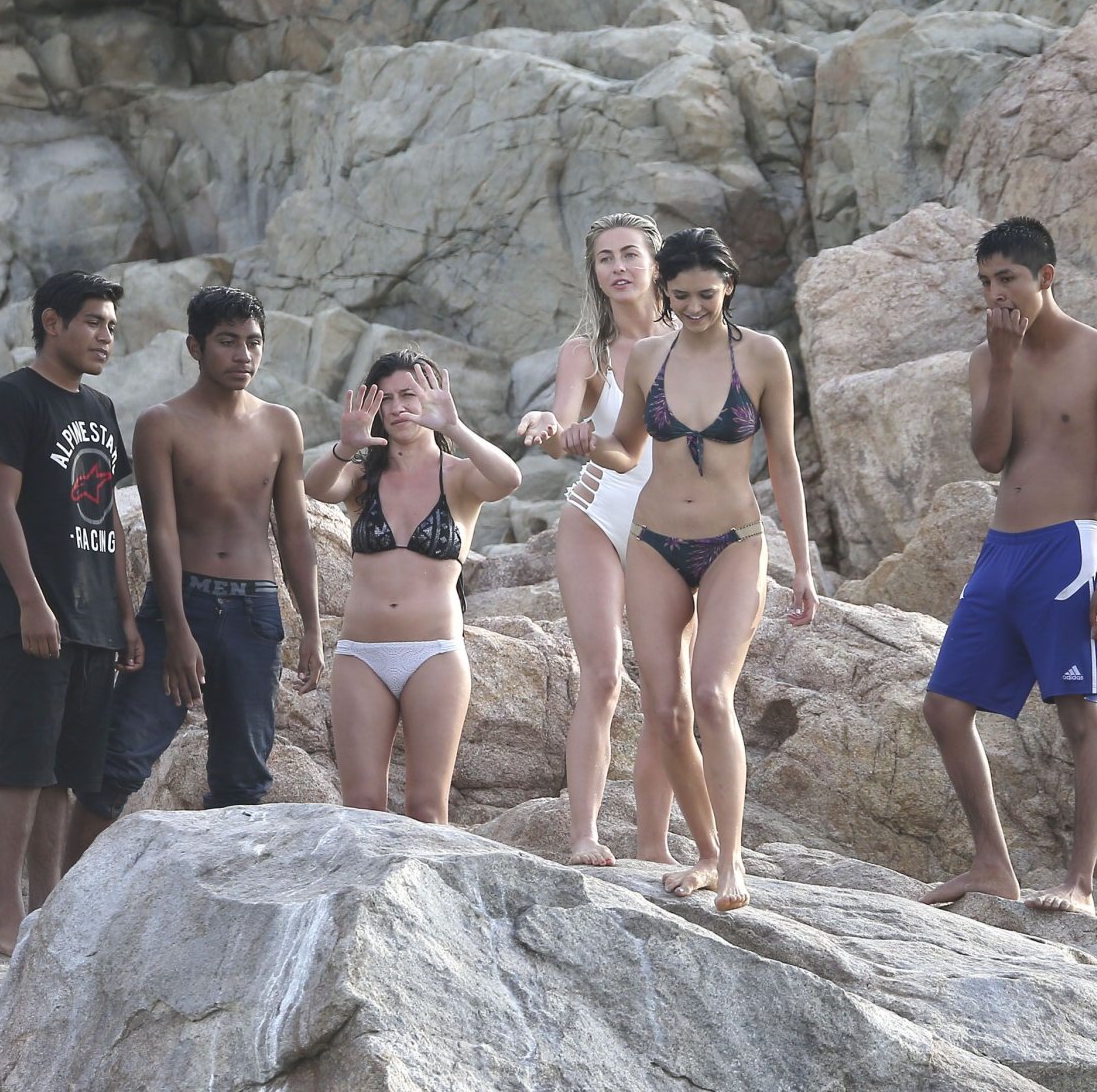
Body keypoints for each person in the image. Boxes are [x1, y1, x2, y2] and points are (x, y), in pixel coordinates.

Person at [570, 227, 817, 912]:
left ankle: (733, 861)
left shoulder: (763, 356)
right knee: (665, 709)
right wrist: (583, 442)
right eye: (679, 297)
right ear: (665, 293)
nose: (694, 308)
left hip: (734, 541)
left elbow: (785, 463)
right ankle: (705, 854)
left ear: (728, 286)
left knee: (710, 694)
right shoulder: (649, 356)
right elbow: (625, 450)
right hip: (654, 542)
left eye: (706, 295)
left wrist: (803, 565)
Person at [920, 217, 1097, 916]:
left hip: (1068, 551)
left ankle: (1080, 883)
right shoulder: (987, 360)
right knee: (945, 708)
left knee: (1077, 714)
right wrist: (1004, 361)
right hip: (1001, 549)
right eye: (986, 281)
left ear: (1045, 276)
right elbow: (990, 456)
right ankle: (992, 866)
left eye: (1007, 278)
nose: (996, 293)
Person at [66, 287, 323, 858]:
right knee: (117, 764)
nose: (243, 355)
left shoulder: (281, 424)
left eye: (253, 342)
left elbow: (294, 531)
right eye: (227, 341)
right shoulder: (163, 423)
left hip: (255, 610)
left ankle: (222, 895)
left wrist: (311, 626)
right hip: (180, 605)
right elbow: (161, 530)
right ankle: (59, 896)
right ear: (195, 347)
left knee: (242, 779)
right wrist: (179, 631)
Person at [0, 270, 144, 956]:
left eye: (111, 326)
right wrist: (30, 602)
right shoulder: (11, 398)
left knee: (66, 772)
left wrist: (124, 615)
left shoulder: (100, 408)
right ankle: (5, 911)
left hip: (92, 619)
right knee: (23, 762)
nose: (106, 337)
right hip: (31, 615)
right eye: (93, 322)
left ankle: (47, 906)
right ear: (52, 322)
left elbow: (109, 518)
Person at [516, 212, 678, 868]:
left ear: (655, 264)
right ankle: (584, 834)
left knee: (668, 688)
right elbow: (562, 431)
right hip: (596, 514)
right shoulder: (585, 350)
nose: (618, 267)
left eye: (629, 254)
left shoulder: (691, 338)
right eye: (605, 258)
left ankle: (654, 845)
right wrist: (551, 428)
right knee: (604, 675)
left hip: (674, 524)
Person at [304, 351, 521, 823]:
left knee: (427, 809)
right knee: (361, 807)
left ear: (433, 400)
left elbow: (509, 478)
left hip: (434, 654)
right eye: (386, 399)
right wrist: (344, 446)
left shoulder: (459, 476)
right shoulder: (361, 478)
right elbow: (316, 488)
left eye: (410, 395)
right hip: (361, 655)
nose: (398, 407)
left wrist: (456, 427)